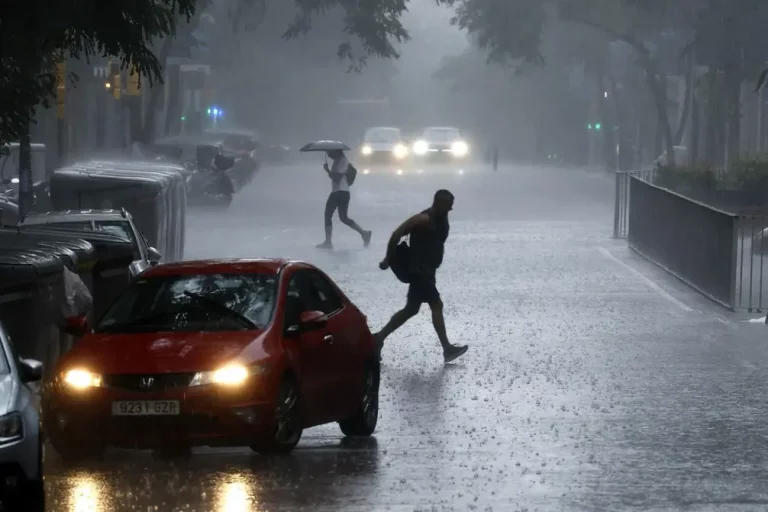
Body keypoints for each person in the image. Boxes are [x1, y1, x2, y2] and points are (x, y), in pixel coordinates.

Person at [374, 189, 468, 363]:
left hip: (427, 272)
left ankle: (378, 339)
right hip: (420, 272)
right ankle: (447, 349)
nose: (450, 210)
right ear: (438, 203)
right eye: (448, 206)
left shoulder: (440, 218)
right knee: (436, 304)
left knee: (411, 309)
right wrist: (388, 258)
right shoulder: (422, 219)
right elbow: (397, 233)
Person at [317, 149, 372, 249]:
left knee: (328, 215)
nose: (329, 155)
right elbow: (335, 177)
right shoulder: (337, 161)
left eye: (330, 152)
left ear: (336, 151)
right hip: (340, 192)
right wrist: (329, 171)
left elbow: (337, 177)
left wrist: (328, 170)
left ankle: (328, 242)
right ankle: (364, 233)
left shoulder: (343, 161)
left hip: (340, 192)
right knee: (343, 218)